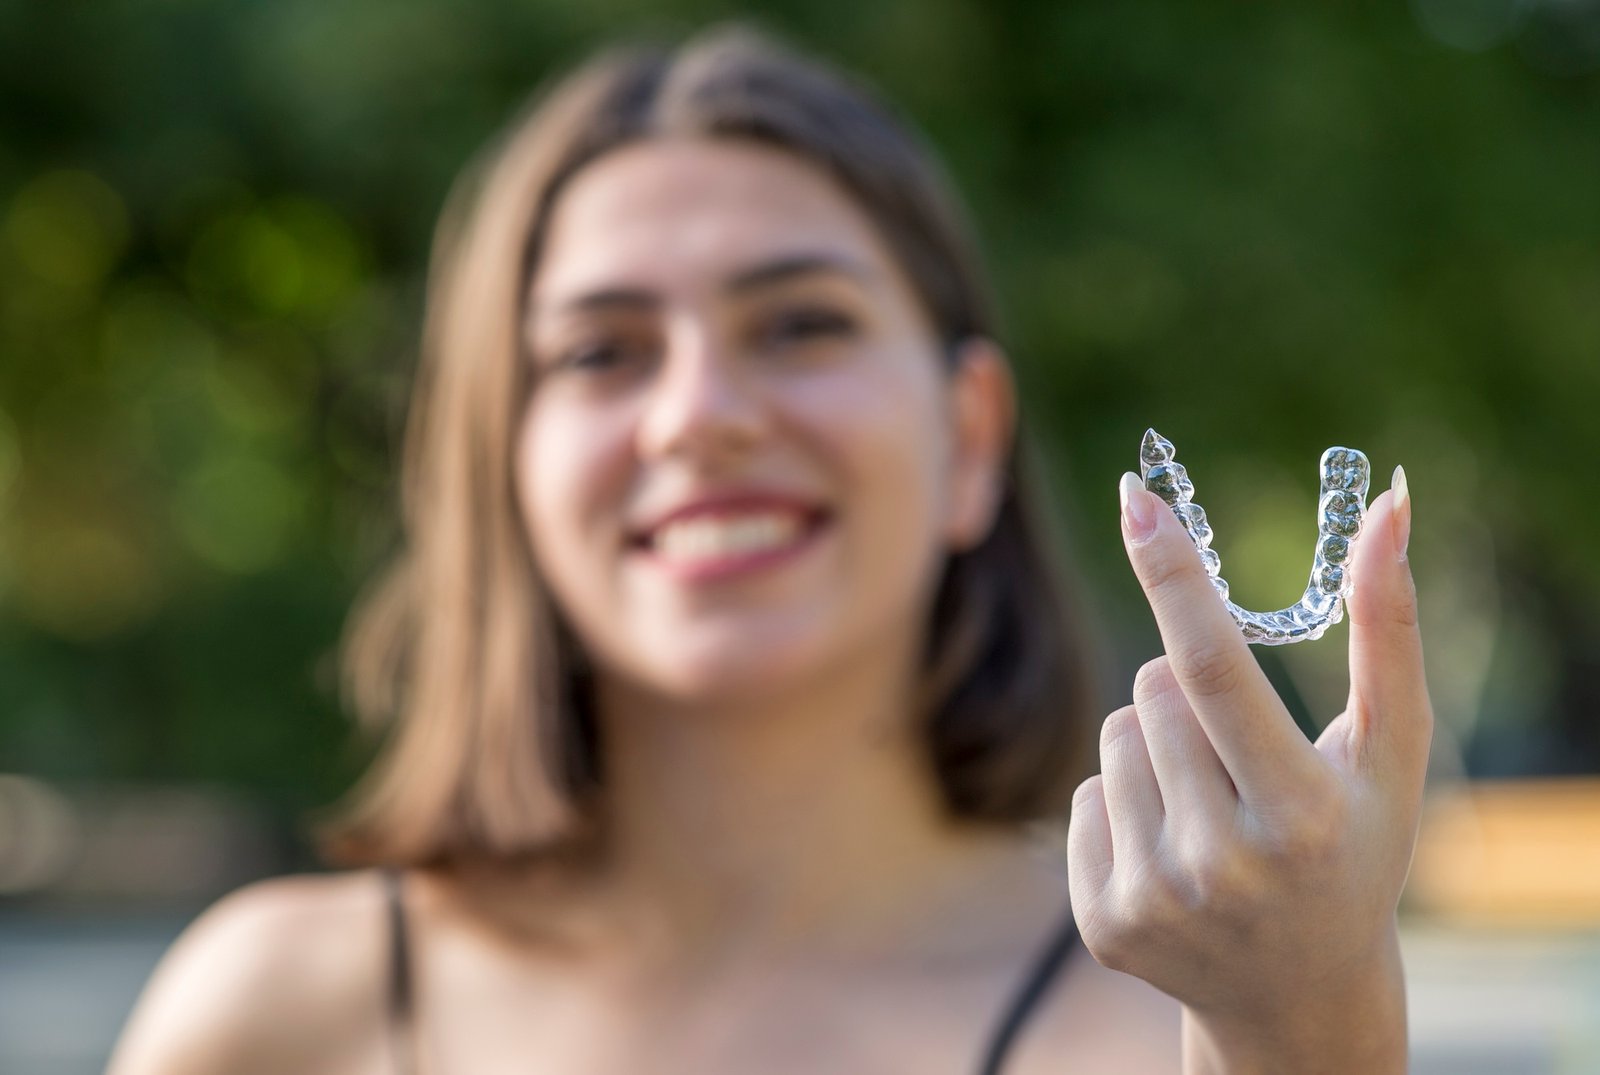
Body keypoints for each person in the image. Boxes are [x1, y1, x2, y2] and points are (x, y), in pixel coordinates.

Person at [107, 23, 1432, 1075]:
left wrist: (1306, 1031)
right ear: (500, 465)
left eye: (800, 325)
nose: (701, 417)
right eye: (600, 352)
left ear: (970, 438)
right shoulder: (271, 1020)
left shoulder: (1169, 1027)